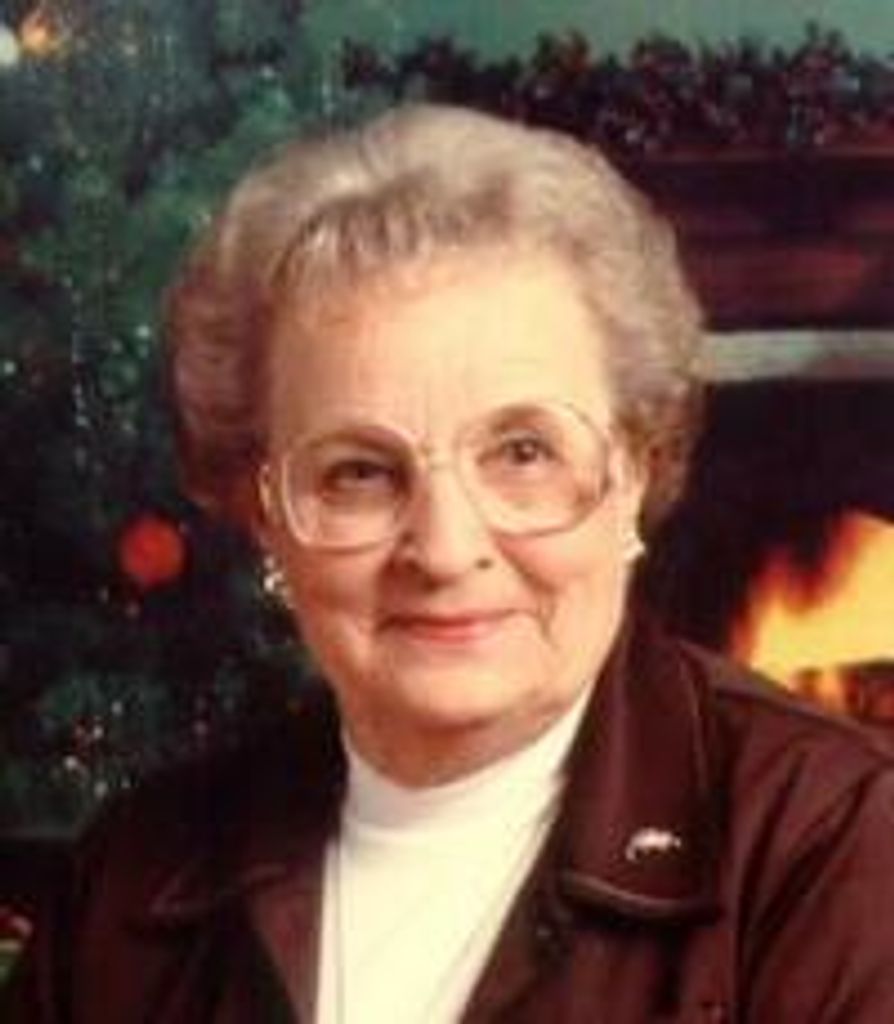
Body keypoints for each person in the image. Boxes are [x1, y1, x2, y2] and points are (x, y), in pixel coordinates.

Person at [5, 103, 894, 1023]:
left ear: (633, 471)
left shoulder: (832, 845)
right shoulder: (129, 884)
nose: (444, 549)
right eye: (359, 472)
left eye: (522, 453)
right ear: (264, 513)